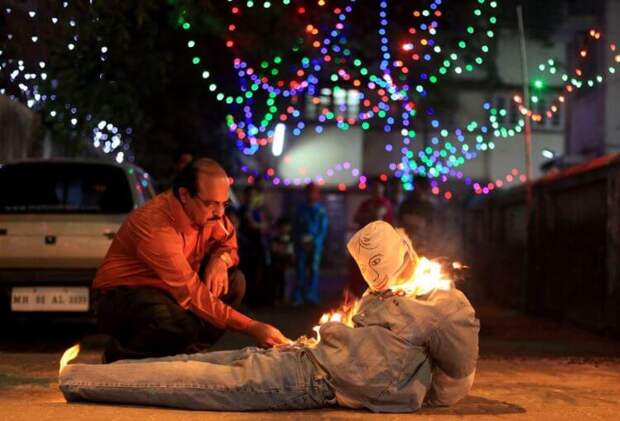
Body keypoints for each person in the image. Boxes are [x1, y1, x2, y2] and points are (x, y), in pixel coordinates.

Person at [59, 220, 479, 413]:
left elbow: (456, 377)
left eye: (382, 273)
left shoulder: (442, 304)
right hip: (303, 358)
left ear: (407, 254)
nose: (378, 283)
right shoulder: (380, 293)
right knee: (196, 364)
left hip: (312, 381)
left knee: (195, 381)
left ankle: (77, 380)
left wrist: (412, 391)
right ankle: (85, 374)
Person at [93, 158, 289, 363]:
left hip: (169, 292)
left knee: (234, 282)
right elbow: (191, 293)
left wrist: (219, 260)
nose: (220, 213)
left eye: (224, 204)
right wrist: (253, 327)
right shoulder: (156, 226)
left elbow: (229, 244)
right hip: (121, 296)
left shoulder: (210, 215)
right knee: (176, 321)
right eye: (211, 204)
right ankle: (120, 355)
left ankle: (192, 351)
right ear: (185, 195)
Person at [292, 182, 329, 305]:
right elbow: (295, 226)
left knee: (314, 269)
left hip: (315, 244)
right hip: (301, 243)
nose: (311, 194)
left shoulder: (320, 210)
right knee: (300, 269)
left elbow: (323, 229)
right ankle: (299, 296)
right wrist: (299, 239)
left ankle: (311, 295)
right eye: (309, 192)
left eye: (313, 192)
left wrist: (315, 241)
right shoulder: (300, 209)